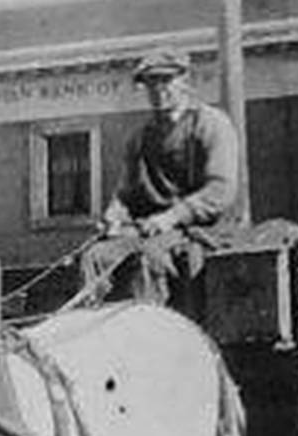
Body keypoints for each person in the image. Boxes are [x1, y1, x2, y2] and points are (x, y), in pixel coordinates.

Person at [81, 50, 240, 308]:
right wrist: (114, 215)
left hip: (203, 231)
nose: (158, 90)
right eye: (150, 84)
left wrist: (171, 217)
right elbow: (125, 194)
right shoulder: (141, 138)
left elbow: (219, 191)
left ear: (185, 81)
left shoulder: (210, 124)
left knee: (147, 257)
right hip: (150, 230)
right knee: (96, 258)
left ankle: (154, 334)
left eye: (165, 81)